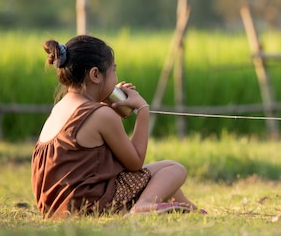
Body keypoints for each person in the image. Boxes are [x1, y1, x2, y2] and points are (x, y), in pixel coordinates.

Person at [31, 35, 204, 219]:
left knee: (160, 182)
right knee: (173, 169)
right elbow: (135, 162)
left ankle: (191, 211)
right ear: (95, 75)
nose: (116, 79)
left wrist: (109, 105)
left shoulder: (61, 107)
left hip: (55, 207)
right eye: (113, 71)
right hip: (90, 203)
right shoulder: (101, 115)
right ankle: (144, 205)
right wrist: (143, 110)